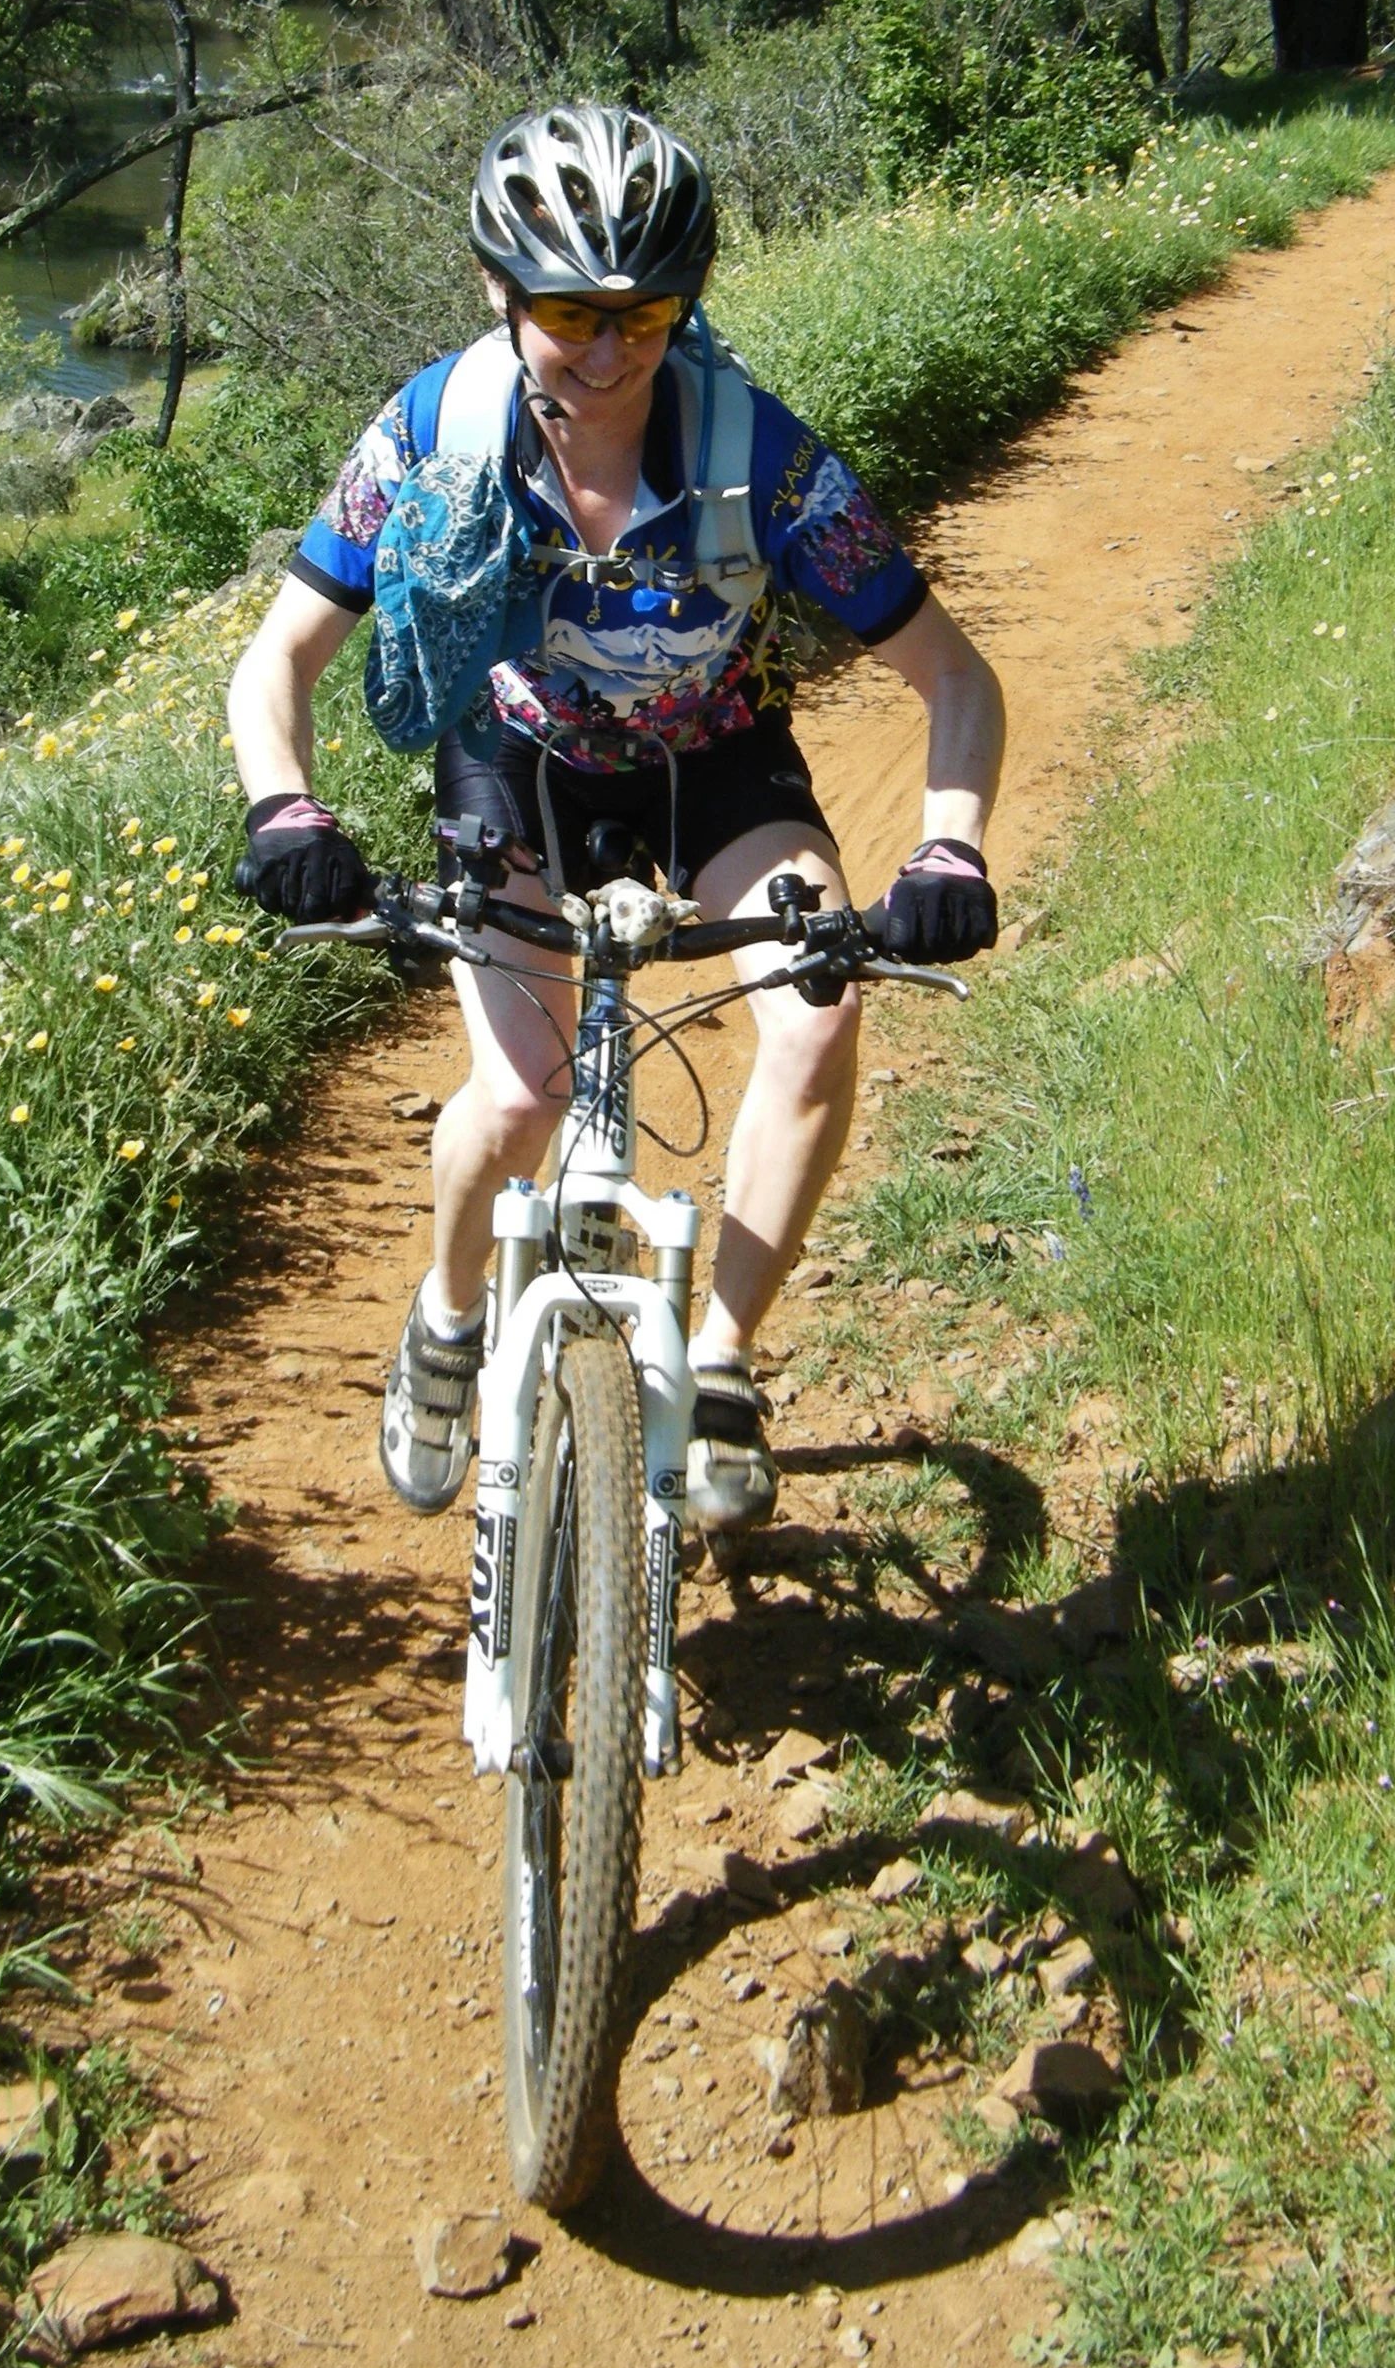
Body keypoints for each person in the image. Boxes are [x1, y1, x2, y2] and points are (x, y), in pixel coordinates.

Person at [226, 103, 1004, 1533]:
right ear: (501, 294)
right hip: (514, 761)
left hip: (713, 756)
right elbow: (277, 661)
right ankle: (449, 1318)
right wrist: (287, 808)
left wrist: (947, 842)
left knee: (821, 1016)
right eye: (570, 312)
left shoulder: (758, 455)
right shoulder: (430, 436)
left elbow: (952, 677)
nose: (607, 350)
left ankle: (719, 1365)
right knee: (518, 1094)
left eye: (644, 312)